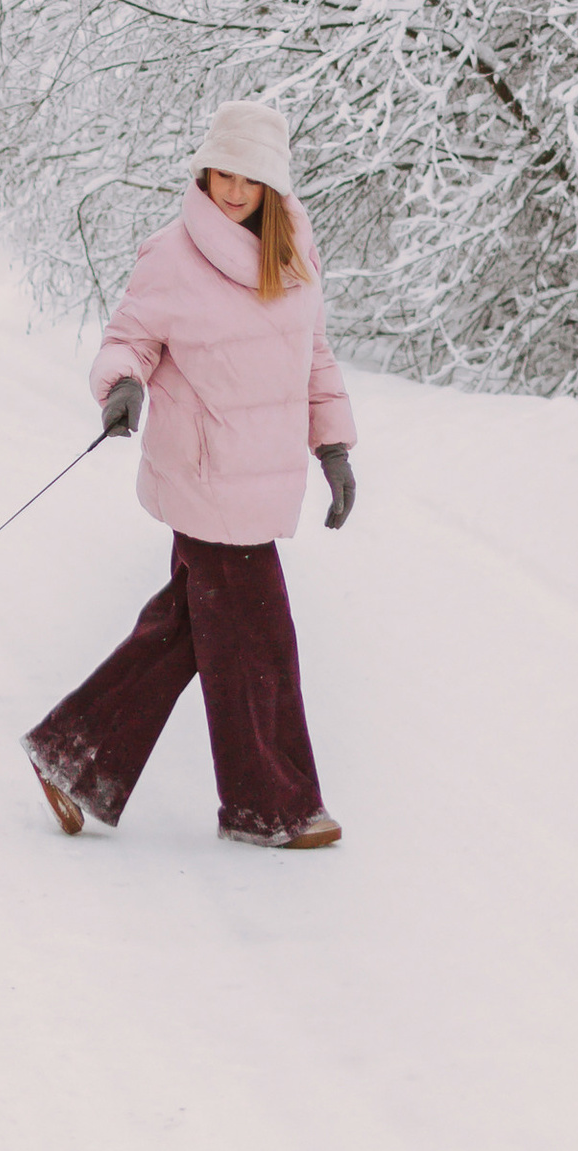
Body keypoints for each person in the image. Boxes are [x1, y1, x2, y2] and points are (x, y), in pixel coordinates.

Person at [23, 97, 357, 851]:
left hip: (263, 476)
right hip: (204, 472)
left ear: (273, 184)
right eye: (221, 172)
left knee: (190, 627)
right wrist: (123, 386)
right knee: (260, 632)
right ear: (204, 168)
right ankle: (271, 804)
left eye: (249, 177)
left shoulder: (293, 256)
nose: (232, 189)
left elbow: (315, 356)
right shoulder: (172, 253)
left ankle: (72, 755)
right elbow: (130, 339)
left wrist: (332, 447)